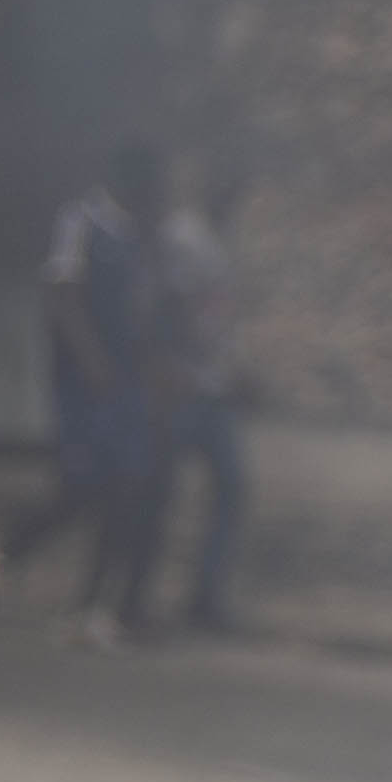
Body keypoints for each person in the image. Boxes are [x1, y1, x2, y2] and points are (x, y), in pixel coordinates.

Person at [0, 142, 165, 645]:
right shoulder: (83, 221)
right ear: (127, 179)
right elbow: (62, 296)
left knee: (129, 487)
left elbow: (141, 310)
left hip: (126, 382)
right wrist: (91, 359)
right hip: (84, 381)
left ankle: (95, 606)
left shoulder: (142, 234)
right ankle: (1, 551)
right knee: (81, 489)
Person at [155, 158, 250, 634]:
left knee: (230, 487)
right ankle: (135, 593)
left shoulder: (216, 241)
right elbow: (169, 307)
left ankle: (204, 596)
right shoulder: (183, 237)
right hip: (179, 387)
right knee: (155, 489)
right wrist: (172, 364)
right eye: (225, 181)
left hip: (209, 390)